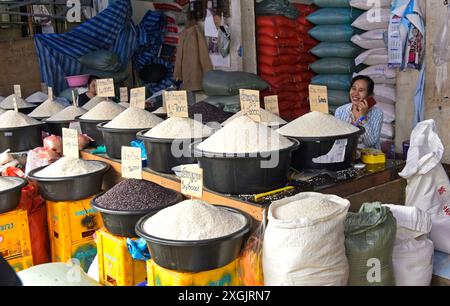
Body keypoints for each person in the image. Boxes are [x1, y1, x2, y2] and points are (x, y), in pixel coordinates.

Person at [335, 75, 384, 150]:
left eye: (361, 90)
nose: (355, 93)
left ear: (369, 95)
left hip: (369, 158)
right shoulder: (340, 111)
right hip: (348, 155)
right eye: (353, 89)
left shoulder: (377, 113)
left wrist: (362, 118)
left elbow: (370, 142)